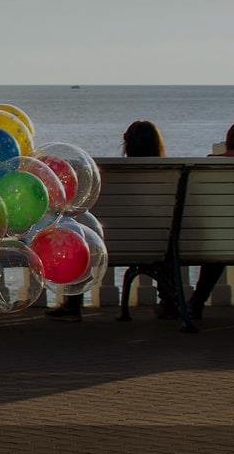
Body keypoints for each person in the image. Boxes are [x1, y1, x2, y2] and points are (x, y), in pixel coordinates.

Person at [47, 120, 166, 322]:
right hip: (159, 245)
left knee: (79, 235)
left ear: (126, 143)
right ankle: (170, 305)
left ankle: (73, 306)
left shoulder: (104, 173)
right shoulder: (169, 173)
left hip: (103, 244)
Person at [187, 120, 234, 320]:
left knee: (219, 243)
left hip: (222, 240)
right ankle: (195, 302)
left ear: (229, 142)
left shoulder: (212, 165)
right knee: (224, 240)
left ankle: (195, 302)